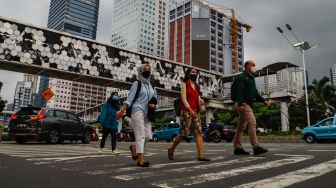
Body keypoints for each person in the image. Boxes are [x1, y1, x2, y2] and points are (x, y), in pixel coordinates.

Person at [117, 64, 157, 167]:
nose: (147, 72)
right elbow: (129, 98)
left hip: (147, 112)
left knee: (148, 136)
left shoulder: (151, 85)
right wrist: (122, 111)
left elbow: (154, 98)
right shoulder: (137, 83)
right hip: (137, 110)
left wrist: (153, 104)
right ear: (140, 71)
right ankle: (140, 160)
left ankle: (134, 148)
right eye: (145, 70)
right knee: (140, 135)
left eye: (149, 70)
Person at [167, 68, 210, 161]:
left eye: (196, 72)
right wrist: (190, 110)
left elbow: (197, 97)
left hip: (196, 112)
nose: (195, 74)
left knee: (199, 132)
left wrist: (201, 100)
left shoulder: (196, 86)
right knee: (184, 134)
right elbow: (184, 99)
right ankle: (171, 149)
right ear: (188, 74)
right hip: (186, 111)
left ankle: (200, 156)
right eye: (193, 72)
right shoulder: (184, 84)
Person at [233, 60, 271, 155]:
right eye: (253, 65)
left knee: (241, 127)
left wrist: (264, 101)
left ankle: (237, 148)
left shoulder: (251, 79)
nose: (254, 66)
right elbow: (239, 90)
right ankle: (256, 147)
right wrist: (241, 103)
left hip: (247, 104)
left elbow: (255, 94)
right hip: (243, 104)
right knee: (252, 122)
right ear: (247, 66)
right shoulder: (242, 77)